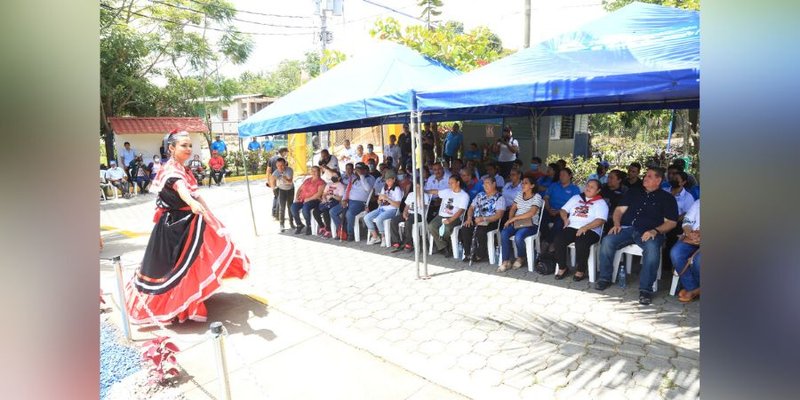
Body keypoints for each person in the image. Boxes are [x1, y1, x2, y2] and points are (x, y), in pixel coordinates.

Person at [124, 131, 249, 325]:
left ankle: (190, 300)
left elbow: (196, 195)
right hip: (174, 226)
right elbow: (181, 189)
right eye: (184, 145)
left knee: (195, 261)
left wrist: (208, 213)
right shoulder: (171, 169)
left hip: (187, 221)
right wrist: (191, 203)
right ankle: (177, 306)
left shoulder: (184, 168)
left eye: (190, 145)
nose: (189, 149)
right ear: (171, 148)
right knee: (173, 269)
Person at [594, 167, 679, 306]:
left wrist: (655, 231)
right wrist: (616, 223)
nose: (645, 177)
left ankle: (645, 289)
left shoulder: (667, 198)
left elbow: (672, 223)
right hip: (627, 229)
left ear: (658, 180)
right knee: (608, 240)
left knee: (652, 249)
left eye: (650, 176)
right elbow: (619, 210)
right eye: (646, 175)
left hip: (649, 232)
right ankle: (605, 278)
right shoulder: (634, 192)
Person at [552, 179, 609, 281]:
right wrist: (565, 219)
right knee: (558, 239)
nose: (588, 188)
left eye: (592, 187)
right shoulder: (576, 198)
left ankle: (581, 270)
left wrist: (585, 227)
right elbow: (563, 210)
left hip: (591, 230)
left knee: (581, 242)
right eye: (588, 185)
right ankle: (562, 267)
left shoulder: (601, 203)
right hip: (572, 227)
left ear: (598, 190)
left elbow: (601, 220)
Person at [499, 176, 543, 271]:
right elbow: (513, 209)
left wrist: (514, 218)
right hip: (517, 223)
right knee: (504, 233)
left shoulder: (537, 197)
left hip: (531, 224)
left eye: (526, 183)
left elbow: (532, 213)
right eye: (522, 183)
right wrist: (511, 219)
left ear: (532, 186)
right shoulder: (519, 195)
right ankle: (506, 261)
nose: (523, 185)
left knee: (519, 236)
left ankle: (521, 257)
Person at [459, 176, 506, 263]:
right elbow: (471, 208)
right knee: (465, 228)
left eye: (487, 183)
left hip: (490, 221)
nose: (485, 186)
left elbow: (499, 215)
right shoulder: (480, 195)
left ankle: (480, 254)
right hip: (476, 219)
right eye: (484, 184)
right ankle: (468, 253)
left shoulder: (500, 198)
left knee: (480, 231)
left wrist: (484, 219)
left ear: (494, 184)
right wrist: (469, 218)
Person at [427, 175, 469, 258]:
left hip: (454, 217)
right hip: (441, 215)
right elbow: (435, 192)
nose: (450, 185)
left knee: (446, 230)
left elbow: (461, 211)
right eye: (449, 183)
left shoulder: (464, 195)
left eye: (452, 183)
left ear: (458, 183)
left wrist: (450, 220)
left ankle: (444, 246)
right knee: (431, 226)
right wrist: (424, 191)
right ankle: (444, 247)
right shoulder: (447, 191)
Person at [331, 162, 375, 241]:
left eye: (360, 170)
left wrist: (361, 176)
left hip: (359, 202)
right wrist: (344, 199)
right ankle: (342, 231)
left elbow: (368, 189)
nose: (357, 172)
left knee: (349, 213)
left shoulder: (369, 178)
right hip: (349, 200)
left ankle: (350, 234)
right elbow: (347, 190)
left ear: (364, 170)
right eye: (357, 170)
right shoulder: (354, 178)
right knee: (332, 211)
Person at [542, 168, 581, 251]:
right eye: (560, 175)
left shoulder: (574, 189)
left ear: (570, 176)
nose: (561, 177)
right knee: (541, 219)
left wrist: (559, 211)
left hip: (564, 213)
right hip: (550, 210)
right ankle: (547, 240)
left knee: (560, 223)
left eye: (564, 175)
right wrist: (548, 209)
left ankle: (549, 242)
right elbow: (546, 198)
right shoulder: (554, 185)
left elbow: (575, 205)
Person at [669, 199, 700, 302]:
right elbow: (686, 221)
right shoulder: (698, 202)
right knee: (676, 253)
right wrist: (689, 233)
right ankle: (693, 288)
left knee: (698, 260)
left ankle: (693, 290)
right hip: (692, 237)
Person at [389, 179, 431, 253]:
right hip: (409, 212)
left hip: (419, 214)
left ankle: (409, 243)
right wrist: (405, 213)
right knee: (393, 221)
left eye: (418, 187)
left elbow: (422, 207)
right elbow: (406, 206)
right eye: (416, 187)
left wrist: (419, 196)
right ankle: (396, 242)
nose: (417, 189)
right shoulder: (411, 194)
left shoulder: (425, 196)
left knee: (408, 222)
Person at [363, 170, 404, 245]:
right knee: (367, 217)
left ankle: (384, 237)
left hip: (392, 210)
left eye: (389, 180)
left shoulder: (397, 189)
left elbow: (398, 205)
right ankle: (375, 237)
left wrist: (388, 198)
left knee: (379, 219)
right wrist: (379, 199)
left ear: (394, 179)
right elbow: (379, 202)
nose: (387, 182)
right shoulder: (384, 188)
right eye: (386, 180)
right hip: (382, 208)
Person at [290, 166, 327, 235]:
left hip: (314, 200)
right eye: (312, 171)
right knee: (293, 207)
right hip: (302, 199)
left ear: (319, 172)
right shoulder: (307, 180)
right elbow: (300, 189)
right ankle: (299, 224)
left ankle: (309, 225)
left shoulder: (321, 182)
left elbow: (319, 194)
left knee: (305, 208)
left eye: (315, 171)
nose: (313, 172)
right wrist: (296, 197)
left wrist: (308, 199)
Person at [313, 170, 346, 238]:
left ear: (339, 178)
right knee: (315, 211)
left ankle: (328, 230)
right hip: (326, 202)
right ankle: (322, 226)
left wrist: (332, 195)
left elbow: (341, 198)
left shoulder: (341, 186)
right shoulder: (329, 184)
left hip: (335, 202)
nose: (333, 177)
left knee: (326, 212)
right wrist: (324, 199)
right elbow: (324, 194)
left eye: (335, 176)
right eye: (332, 176)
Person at [271, 157, 295, 231]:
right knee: (282, 208)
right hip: (281, 190)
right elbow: (272, 181)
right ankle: (282, 224)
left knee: (290, 207)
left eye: (281, 165)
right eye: (278, 166)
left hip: (290, 189)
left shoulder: (289, 170)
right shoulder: (276, 172)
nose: (280, 167)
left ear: (285, 164)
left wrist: (283, 177)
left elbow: (290, 181)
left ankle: (291, 223)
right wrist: (274, 188)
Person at [600, 169, 628, 234]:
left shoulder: (625, 190)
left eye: (611, 178)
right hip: (600, 214)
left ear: (619, 180)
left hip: (615, 218)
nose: (608, 179)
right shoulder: (602, 187)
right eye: (608, 177)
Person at [266, 147, 290, 218]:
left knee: (276, 196)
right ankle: (278, 215)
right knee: (281, 197)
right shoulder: (284, 161)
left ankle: (274, 213)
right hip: (280, 181)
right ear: (283, 152)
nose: (286, 154)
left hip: (273, 180)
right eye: (286, 152)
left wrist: (268, 181)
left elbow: (268, 171)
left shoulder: (271, 159)